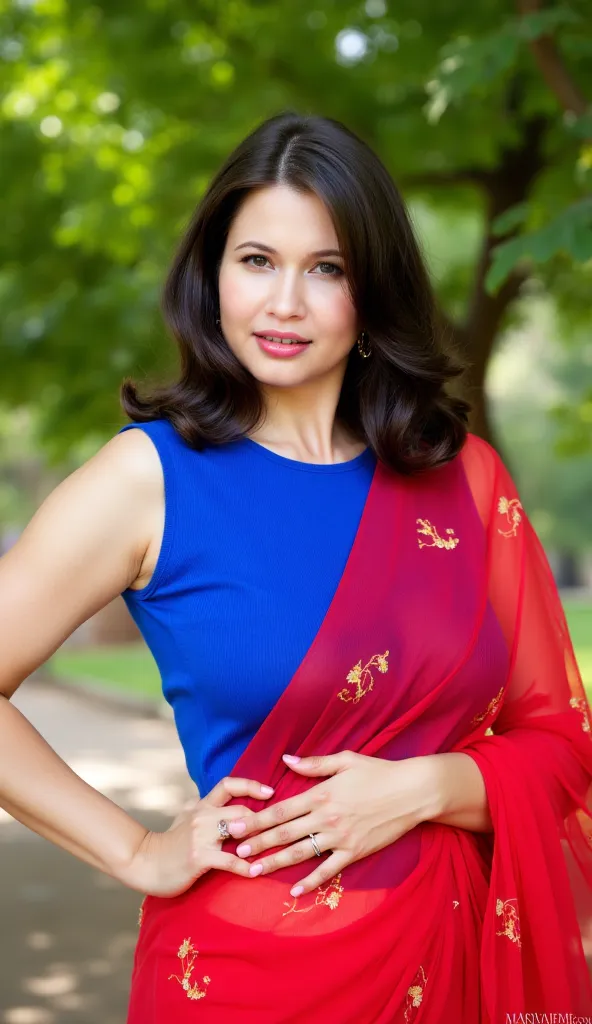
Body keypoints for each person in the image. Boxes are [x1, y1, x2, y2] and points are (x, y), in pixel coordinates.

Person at [1, 111, 591, 1023]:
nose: (285, 303)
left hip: (452, 960)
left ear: (373, 294)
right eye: (257, 261)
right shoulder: (148, 480)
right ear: (213, 275)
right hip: (244, 977)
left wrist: (426, 788)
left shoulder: (462, 478)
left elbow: (558, 745)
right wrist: (135, 852)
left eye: (327, 269)